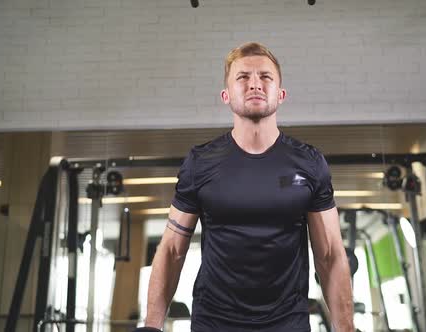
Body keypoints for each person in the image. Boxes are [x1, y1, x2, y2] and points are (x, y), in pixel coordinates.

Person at [135, 42, 354, 332]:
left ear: (281, 94)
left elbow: (329, 255)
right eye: (243, 77)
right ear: (226, 96)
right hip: (214, 322)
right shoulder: (200, 163)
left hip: (288, 323)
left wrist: (347, 328)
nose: (255, 84)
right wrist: (152, 325)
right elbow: (172, 250)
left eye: (266, 77)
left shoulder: (309, 163)